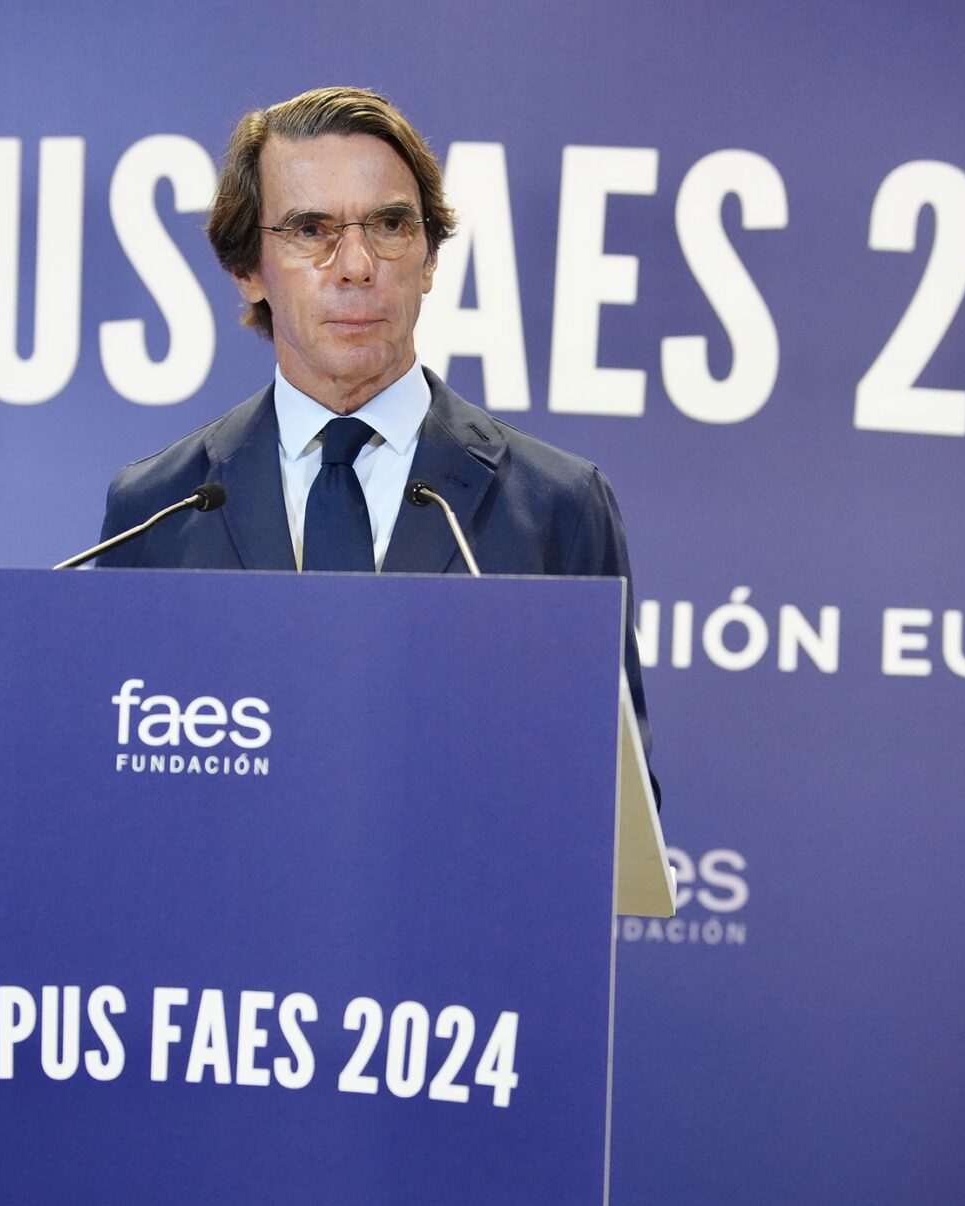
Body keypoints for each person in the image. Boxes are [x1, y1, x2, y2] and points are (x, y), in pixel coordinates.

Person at [95, 86, 656, 780]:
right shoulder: (158, 507)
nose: (357, 265)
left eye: (389, 225)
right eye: (311, 230)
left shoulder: (554, 505)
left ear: (429, 259)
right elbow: (121, 786)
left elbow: (613, 812)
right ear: (247, 270)